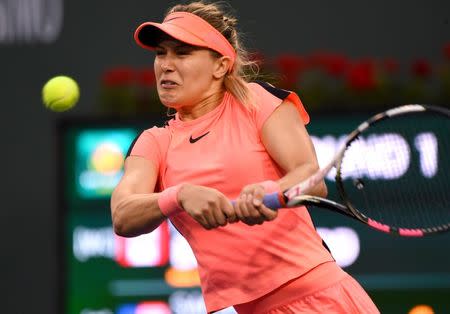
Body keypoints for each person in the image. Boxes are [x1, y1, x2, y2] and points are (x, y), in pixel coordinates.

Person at [111, 1, 380, 313]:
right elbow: (122, 214)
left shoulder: (256, 101)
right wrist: (178, 196)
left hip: (323, 300)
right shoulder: (155, 142)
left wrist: (271, 192)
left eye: (182, 53)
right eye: (161, 53)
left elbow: (311, 176)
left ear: (221, 65)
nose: (166, 65)